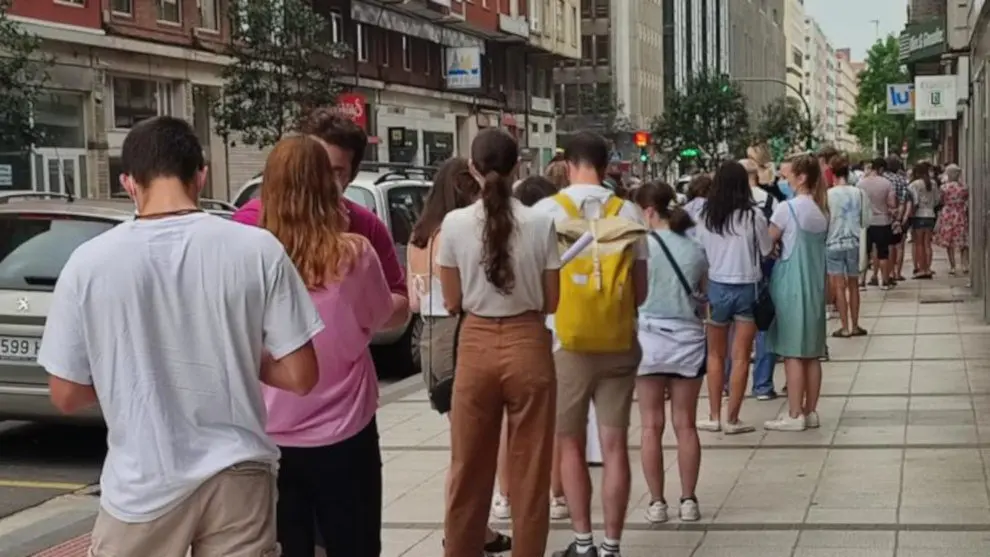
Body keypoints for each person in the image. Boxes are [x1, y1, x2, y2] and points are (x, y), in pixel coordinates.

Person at [38, 116, 323, 556]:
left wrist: (130, 368)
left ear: (129, 183)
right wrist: (238, 354)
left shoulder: (88, 263)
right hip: (238, 473)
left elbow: (66, 394)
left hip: (142, 482)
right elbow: (302, 375)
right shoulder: (257, 249)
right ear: (201, 174)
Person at [260, 135, 396, 556]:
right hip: (345, 432)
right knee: (353, 543)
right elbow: (381, 316)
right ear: (327, 187)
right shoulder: (355, 254)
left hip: (271, 433)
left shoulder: (252, 257)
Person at [441, 129, 560, 557]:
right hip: (528, 341)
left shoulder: (453, 225)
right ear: (518, 168)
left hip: (475, 343)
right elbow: (552, 300)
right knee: (530, 470)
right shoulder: (541, 223)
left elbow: (451, 301)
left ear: (472, 167)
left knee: (468, 468)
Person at [533, 131, 649, 557]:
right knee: (616, 445)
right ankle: (612, 545)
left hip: (567, 343)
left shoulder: (547, 210)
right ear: (607, 165)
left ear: (567, 163)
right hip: (619, 341)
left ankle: (583, 544)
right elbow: (642, 292)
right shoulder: (629, 210)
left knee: (570, 444)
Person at [233, 109, 409, 330]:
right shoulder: (250, 221)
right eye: (314, 169)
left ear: (351, 176)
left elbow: (400, 303)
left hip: (342, 359)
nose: (321, 181)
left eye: (335, 172)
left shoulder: (366, 226)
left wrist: (350, 307)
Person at [632, 181, 706, 524]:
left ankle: (657, 503)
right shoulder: (694, 248)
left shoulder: (639, 247)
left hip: (647, 340)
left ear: (648, 211)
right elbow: (703, 294)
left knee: (650, 425)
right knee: (685, 424)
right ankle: (688, 500)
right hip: (688, 340)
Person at [695, 161, 773, 434]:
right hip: (747, 289)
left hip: (716, 287)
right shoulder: (754, 215)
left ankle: (714, 415)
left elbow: (700, 253)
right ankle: (733, 419)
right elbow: (765, 250)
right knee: (740, 356)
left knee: (715, 355)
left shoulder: (706, 215)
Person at [764, 154, 829, 431]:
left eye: (786, 176)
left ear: (801, 178)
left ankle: (794, 413)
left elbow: (767, 243)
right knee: (812, 353)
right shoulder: (821, 211)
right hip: (814, 286)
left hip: (791, 287)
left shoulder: (786, 209)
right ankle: (810, 411)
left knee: (792, 353)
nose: (783, 181)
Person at [740, 158, 778, 400]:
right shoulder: (769, 200)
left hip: (725, 277)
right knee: (764, 327)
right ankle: (762, 385)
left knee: (732, 334)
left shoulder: (720, 205)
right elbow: (771, 240)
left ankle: (727, 384)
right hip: (761, 271)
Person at [826, 156, 870, 338]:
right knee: (853, 285)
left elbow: (824, 220)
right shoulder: (859, 193)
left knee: (838, 286)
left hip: (833, 243)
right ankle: (856, 324)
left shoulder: (827, 194)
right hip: (854, 243)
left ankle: (844, 327)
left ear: (833, 174)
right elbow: (866, 220)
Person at [859, 158, 897, 290]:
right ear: (881, 169)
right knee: (883, 252)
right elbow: (891, 203)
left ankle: (861, 281)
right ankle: (885, 282)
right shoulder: (887, 183)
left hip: (866, 222)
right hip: (883, 221)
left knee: (864, 252)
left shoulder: (861, 184)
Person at [934, 164, 969, 275]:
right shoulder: (963, 187)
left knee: (949, 242)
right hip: (960, 214)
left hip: (948, 214)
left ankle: (953, 266)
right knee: (962, 240)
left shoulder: (944, 188)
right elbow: (965, 198)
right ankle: (964, 265)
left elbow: (940, 200)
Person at [908, 161, 940, 279]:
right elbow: (937, 200)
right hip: (930, 215)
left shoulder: (914, 184)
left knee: (919, 244)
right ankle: (928, 268)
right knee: (927, 244)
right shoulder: (933, 183)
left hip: (919, 215)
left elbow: (914, 201)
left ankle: (921, 269)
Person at [883, 156, 913, 281]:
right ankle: (897, 272)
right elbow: (905, 199)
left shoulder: (882, 179)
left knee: (888, 246)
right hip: (899, 216)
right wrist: (903, 217)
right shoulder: (902, 180)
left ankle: (888, 272)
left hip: (885, 216)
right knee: (899, 246)